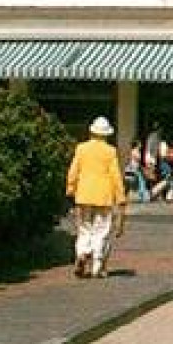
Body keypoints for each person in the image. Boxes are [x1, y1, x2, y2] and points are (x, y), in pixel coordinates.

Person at [66, 117, 128, 279]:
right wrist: (120, 197)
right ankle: (97, 265)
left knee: (84, 228)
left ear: (92, 132)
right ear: (106, 134)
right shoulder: (110, 151)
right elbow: (115, 176)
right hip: (104, 195)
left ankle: (82, 253)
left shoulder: (81, 148)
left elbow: (74, 170)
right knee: (101, 230)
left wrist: (71, 188)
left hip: (84, 193)